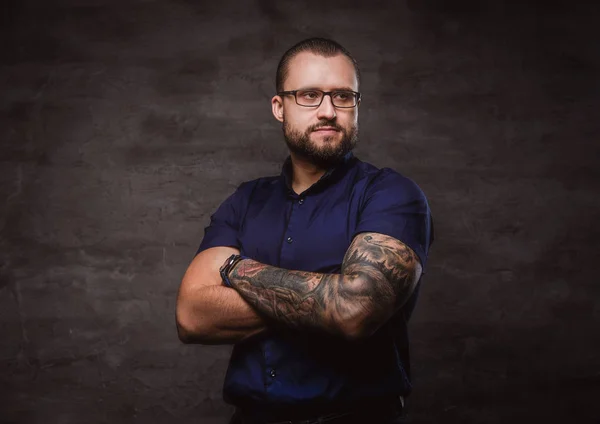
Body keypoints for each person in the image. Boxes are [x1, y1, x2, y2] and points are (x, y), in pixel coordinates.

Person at [176, 38, 434, 424]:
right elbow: (192, 315)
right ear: (280, 107)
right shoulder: (245, 201)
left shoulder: (391, 194)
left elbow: (355, 309)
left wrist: (235, 269)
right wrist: (324, 294)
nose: (328, 111)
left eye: (344, 97)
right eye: (310, 95)